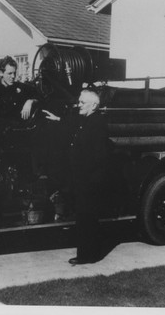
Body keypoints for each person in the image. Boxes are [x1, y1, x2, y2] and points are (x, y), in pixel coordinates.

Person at [44, 88, 111, 265]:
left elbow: (99, 156)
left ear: (94, 105)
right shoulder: (88, 120)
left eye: (82, 103)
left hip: (89, 180)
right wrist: (58, 119)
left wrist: (87, 177)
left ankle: (89, 255)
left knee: (88, 218)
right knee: (83, 217)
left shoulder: (97, 123)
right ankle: (87, 253)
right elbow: (73, 124)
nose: (78, 105)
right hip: (83, 179)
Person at [0, 56, 39, 171]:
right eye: (9, 73)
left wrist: (30, 101)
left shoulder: (20, 88)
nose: (13, 77)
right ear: (1, 73)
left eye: (14, 73)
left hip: (15, 127)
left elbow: (39, 95)